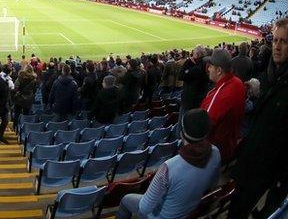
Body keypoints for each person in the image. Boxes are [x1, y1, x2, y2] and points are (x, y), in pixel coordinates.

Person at [229, 18, 288, 218]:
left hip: (266, 172)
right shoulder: (267, 76)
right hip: (248, 162)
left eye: (284, 42)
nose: (277, 47)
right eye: (275, 41)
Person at [116, 109, 221, 219]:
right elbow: (212, 185)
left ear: (182, 133)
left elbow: (144, 208)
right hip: (189, 211)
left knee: (126, 200)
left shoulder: (169, 167)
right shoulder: (216, 152)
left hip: (162, 216)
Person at [200, 48, 246, 163]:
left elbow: (202, 129)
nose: (208, 69)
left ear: (219, 70)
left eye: (211, 66)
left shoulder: (219, 96)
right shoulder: (238, 83)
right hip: (229, 148)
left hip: (214, 155)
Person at [179, 45, 209, 114]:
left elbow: (181, 76)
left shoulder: (196, 68)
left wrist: (188, 62)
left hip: (190, 101)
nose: (192, 55)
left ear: (197, 55)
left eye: (193, 54)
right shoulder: (207, 65)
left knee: (185, 121)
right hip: (200, 100)